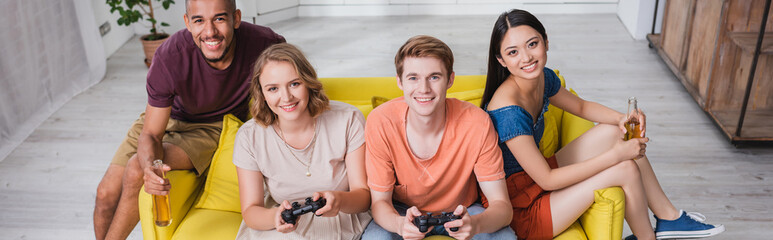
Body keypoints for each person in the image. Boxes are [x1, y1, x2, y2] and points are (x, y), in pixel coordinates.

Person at [479, 9, 725, 240]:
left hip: (533, 179)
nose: (527, 57)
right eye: (513, 52)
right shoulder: (508, 111)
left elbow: (582, 107)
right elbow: (548, 180)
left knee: (613, 131)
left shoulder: (542, 77)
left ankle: (669, 218)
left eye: (532, 44)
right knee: (625, 168)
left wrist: (623, 119)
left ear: (546, 41)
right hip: (520, 208)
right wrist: (617, 155)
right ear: (501, 60)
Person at [93, 0, 285, 239]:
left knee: (134, 168)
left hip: (211, 126)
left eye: (219, 18)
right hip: (165, 114)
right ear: (187, 23)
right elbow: (152, 133)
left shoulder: (264, 43)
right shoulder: (170, 56)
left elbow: (290, 78)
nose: (210, 31)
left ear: (236, 18)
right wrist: (150, 168)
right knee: (104, 195)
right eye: (199, 21)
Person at [362, 35, 516, 240]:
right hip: (401, 211)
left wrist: (476, 224)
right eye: (413, 78)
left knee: (504, 238)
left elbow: (502, 207)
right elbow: (379, 203)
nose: (424, 89)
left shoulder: (477, 122)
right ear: (400, 81)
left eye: (434, 77)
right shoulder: (381, 121)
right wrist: (400, 225)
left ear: (450, 79)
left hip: (463, 211)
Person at [232, 43, 371, 240]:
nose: (286, 97)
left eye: (294, 84)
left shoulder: (348, 119)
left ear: (309, 82)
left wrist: (339, 200)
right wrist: (276, 216)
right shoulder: (249, 136)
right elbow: (250, 210)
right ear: (262, 94)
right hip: (281, 231)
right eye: (273, 89)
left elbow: (364, 196)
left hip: (342, 221)